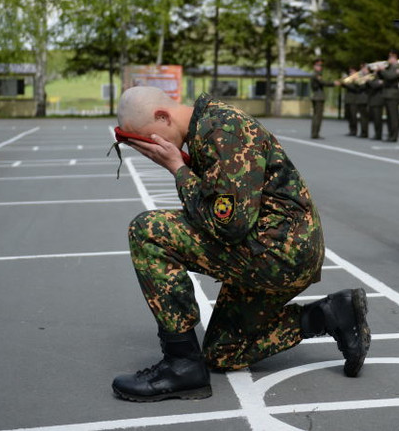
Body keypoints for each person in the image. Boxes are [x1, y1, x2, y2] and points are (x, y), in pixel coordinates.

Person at [109, 86, 371, 402]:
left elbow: (229, 225)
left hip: (279, 253)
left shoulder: (221, 129)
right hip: (273, 247)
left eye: (147, 139)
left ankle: (181, 365)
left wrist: (178, 169)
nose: (148, 149)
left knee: (148, 230)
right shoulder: (207, 125)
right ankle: (332, 315)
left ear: (162, 116)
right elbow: (220, 204)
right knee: (223, 352)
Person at [380, 52, 399, 142]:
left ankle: (394, 135)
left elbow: (390, 77)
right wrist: (379, 71)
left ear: (395, 58)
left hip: (393, 94)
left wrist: (382, 70)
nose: (389, 59)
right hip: (387, 94)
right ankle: (390, 134)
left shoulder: (398, 68)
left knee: (393, 116)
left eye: (391, 58)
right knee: (389, 116)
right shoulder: (389, 68)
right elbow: (383, 77)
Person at [309, 59, 334, 139]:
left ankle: (314, 133)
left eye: (321, 65)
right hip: (318, 97)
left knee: (316, 116)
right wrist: (334, 83)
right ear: (314, 66)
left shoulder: (316, 74)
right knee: (318, 116)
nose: (320, 67)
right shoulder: (316, 75)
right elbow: (323, 83)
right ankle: (315, 134)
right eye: (318, 65)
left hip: (316, 96)